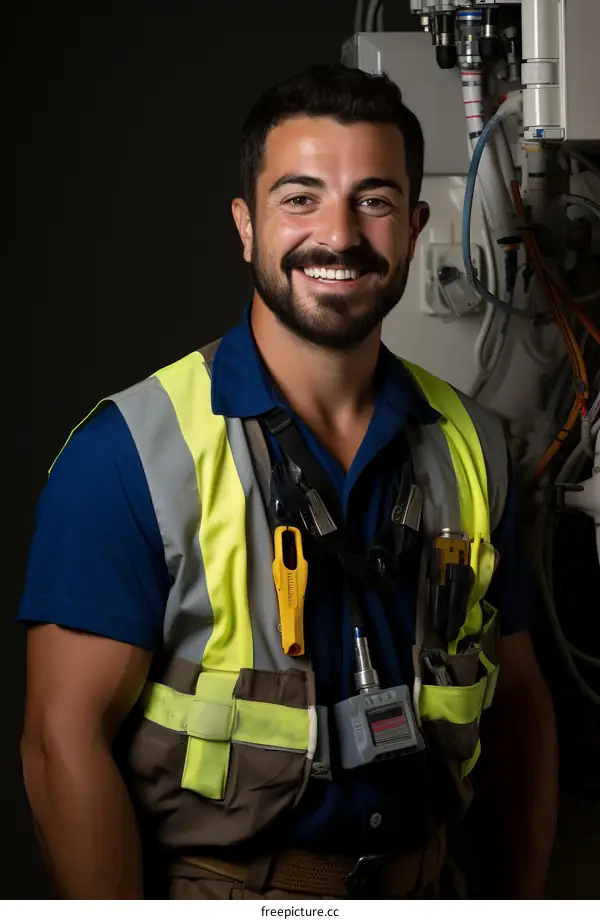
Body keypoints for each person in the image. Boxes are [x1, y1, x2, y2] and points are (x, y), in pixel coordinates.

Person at [19, 64, 558, 900]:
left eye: (373, 200)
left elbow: (521, 709)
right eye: (299, 198)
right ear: (246, 224)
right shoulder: (128, 454)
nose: (338, 235)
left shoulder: (473, 445)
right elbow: (61, 743)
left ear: (415, 226)